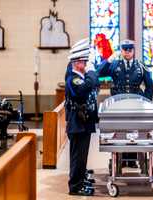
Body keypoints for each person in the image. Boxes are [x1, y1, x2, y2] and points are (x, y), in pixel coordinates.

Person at [97, 39, 153, 168]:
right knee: (119, 131)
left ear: (133, 51)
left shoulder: (141, 65)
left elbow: (149, 86)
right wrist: (108, 60)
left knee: (133, 131)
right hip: (118, 104)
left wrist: (146, 101)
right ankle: (118, 159)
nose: (127, 53)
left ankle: (132, 160)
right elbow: (99, 73)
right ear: (121, 51)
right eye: (124, 50)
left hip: (136, 104)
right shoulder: (114, 64)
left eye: (130, 50)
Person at [65, 38, 99, 196]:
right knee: (78, 156)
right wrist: (92, 71)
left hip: (83, 122)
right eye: (84, 62)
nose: (86, 65)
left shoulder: (79, 76)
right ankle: (75, 186)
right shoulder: (73, 78)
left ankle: (79, 180)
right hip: (77, 123)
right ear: (77, 62)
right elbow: (86, 87)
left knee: (81, 155)